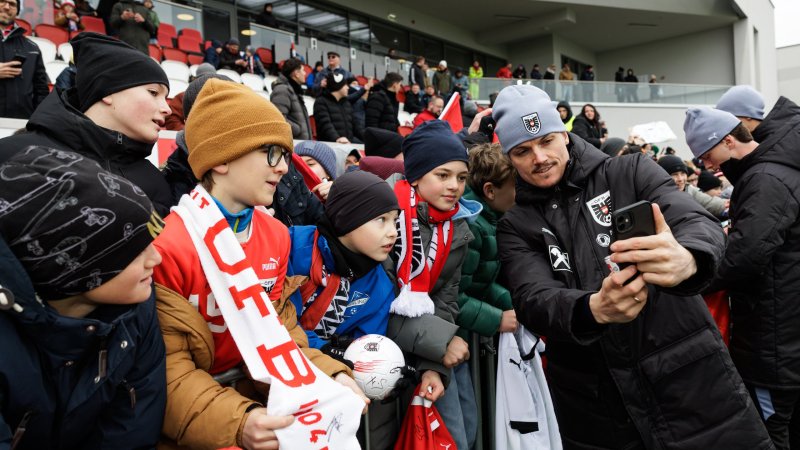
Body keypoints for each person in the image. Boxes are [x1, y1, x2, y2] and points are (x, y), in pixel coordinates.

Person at [492, 84, 771, 449]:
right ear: (510, 157)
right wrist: (591, 309)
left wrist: (687, 257)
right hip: (594, 404)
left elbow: (694, 221)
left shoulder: (630, 171)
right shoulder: (515, 225)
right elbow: (533, 299)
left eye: (546, 141)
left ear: (564, 134)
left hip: (690, 379)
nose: (539, 157)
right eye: (523, 151)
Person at [152, 79, 366, 449]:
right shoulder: (167, 245)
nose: (283, 168)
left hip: (262, 410)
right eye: (270, 153)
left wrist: (330, 376)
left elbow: (281, 337)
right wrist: (239, 420)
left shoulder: (276, 235)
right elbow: (168, 370)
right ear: (221, 158)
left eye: (285, 155)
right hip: (203, 426)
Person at [0, 146, 166, 449]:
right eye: (134, 250)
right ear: (72, 264)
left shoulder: (136, 310)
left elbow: (131, 431)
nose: (156, 259)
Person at [685, 106, 800, 449]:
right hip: (782, 327)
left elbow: (745, 255)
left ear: (729, 141)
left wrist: (690, 279)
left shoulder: (765, 179)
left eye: (707, 155)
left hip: (775, 336)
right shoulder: (773, 170)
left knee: (769, 431)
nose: (706, 166)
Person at [286, 171, 427, 448]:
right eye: (381, 220)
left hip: (323, 404)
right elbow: (281, 323)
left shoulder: (379, 286)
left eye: (395, 220)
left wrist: (384, 374)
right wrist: (328, 351)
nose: (393, 232)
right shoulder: (293, 246)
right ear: (346, 219)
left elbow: (364, 347)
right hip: (271, 386)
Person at [385, 121, 482, 450]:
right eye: (443, 175)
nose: (454, 186)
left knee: (465, 430)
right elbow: (381, 301)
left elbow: (446, 300)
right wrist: (442, 343)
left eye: (461, 177)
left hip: (428, 347)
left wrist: (434, 367)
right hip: (387, 356)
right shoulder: (385, 216)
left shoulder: (457, 227)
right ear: (415, 176)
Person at [0, 32, 173, 217]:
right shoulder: (12, 154)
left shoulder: (155, 183)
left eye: (166, 97)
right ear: (108, 91)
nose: (167, 109)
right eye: (153, 93)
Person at [0, 0, 49, 120]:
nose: (7, 7)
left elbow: (41, 91)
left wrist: (37, 121)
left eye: (12, 4)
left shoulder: (32, 48)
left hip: (22, 123)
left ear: (17, 11)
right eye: (2, 1)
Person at [656, 155, 728, 220]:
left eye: (683, 173)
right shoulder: (658, 198)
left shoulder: (689, 189)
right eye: (674, 174)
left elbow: (708, 203)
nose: (680, 179)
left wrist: (726, 204)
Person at [314, 71, 363, 143]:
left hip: (347, 145)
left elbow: (356, 126)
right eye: (345, 85)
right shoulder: (321, 102)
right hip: (329, 146)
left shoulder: (346, 103)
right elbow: (325, 124)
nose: (348, 87)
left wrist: (367, 138)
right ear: (338, 86)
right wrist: (337, 138)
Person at [270, 57, 312, 139]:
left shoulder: (294, 91)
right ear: (296, 73)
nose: (305, 73)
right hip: (292, 144)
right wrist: (298, 130)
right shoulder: (282, 90)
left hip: (299, 144)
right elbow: (278, 119)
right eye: (303, 70)